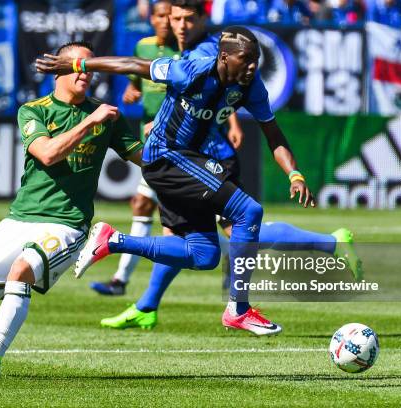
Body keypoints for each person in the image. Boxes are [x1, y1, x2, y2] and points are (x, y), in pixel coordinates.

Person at [94, 0, 363, 330]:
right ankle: (165, 302)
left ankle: (146, 295)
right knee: (220, 232)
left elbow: (259, 122)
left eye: (187, 19)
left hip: (208, 158)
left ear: (203, 20)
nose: (179, 25)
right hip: (174, 156)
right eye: (173, 18)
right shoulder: (176, 57)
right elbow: (136, 68)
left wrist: (292, 172)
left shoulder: (210, 56)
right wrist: (86, 67)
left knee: (220, 239)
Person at [37, 26, 314, 336]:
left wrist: (295, 174)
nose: (253, 66)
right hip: (164, 156)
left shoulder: (251, 86)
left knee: (204, 254)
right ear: (224, 57)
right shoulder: (192, 70)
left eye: (256, 60)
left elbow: (273, 134)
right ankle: (239, 308)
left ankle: (113, 241)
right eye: (246, 59)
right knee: (248, 211)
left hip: (186, 162)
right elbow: (132, 65)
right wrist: (78, 64)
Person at [0, 41, 143, 381]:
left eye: (91, 68)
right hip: (20, 217)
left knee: (22, 270)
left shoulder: (107, 116)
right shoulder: (34, 111)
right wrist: (89, 123)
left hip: (68, 223)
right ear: (59, 70)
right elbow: (49, 153)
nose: (86, 74)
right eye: (79, 67)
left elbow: (144, 159)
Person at [90, 0, 180, 296]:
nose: (165, 21)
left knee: (191, 224)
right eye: (160, 15)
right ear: (152, 19)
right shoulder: (143, 47)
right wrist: (133, 90)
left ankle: (250, 250)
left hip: (182, 141)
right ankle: (121, 281)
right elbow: (138, 81)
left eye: (170, 15)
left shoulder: (186, 51)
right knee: (143, 205)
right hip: (155, 142)